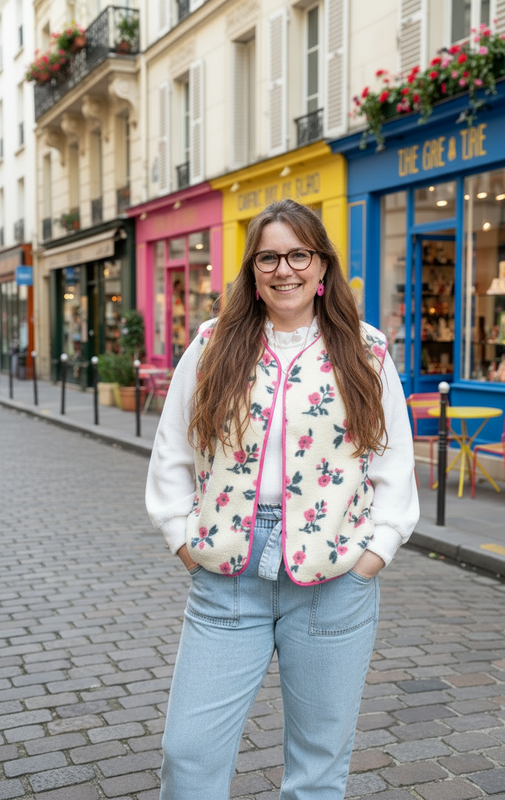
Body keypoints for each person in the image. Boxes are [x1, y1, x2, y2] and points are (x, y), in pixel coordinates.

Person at [146, 199, 419, 800]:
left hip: (335, 576)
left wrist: (376, 550)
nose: (284, 269)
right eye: (268, 256)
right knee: (187, 753)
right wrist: (182, 539)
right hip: (228, 575)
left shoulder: (365, 349)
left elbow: (394, 457)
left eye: (299, 254)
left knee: (318, 766)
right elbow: (172, 449)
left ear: (322, 266)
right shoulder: (213, 344)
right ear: (252, 269)